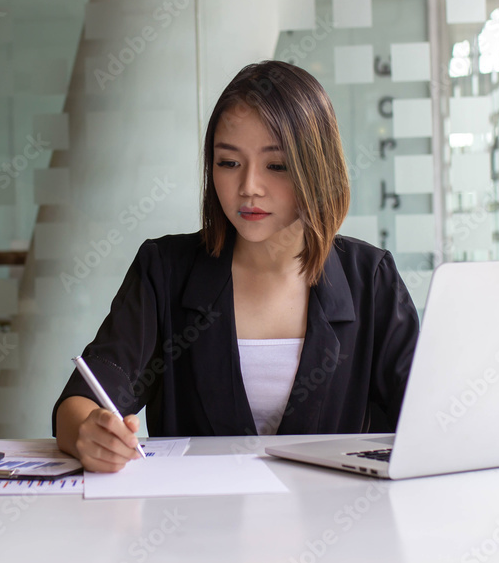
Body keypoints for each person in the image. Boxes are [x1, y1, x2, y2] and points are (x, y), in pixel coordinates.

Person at [53, 60, 420, 472]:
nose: (248, 187)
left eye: (276, 165)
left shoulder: (369, 279)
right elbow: (82, 400)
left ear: (318, 168)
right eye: (229, 163)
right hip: (198, 527)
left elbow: (431, 417)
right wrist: (90, 433)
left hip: (334, 527)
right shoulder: (165, 271)